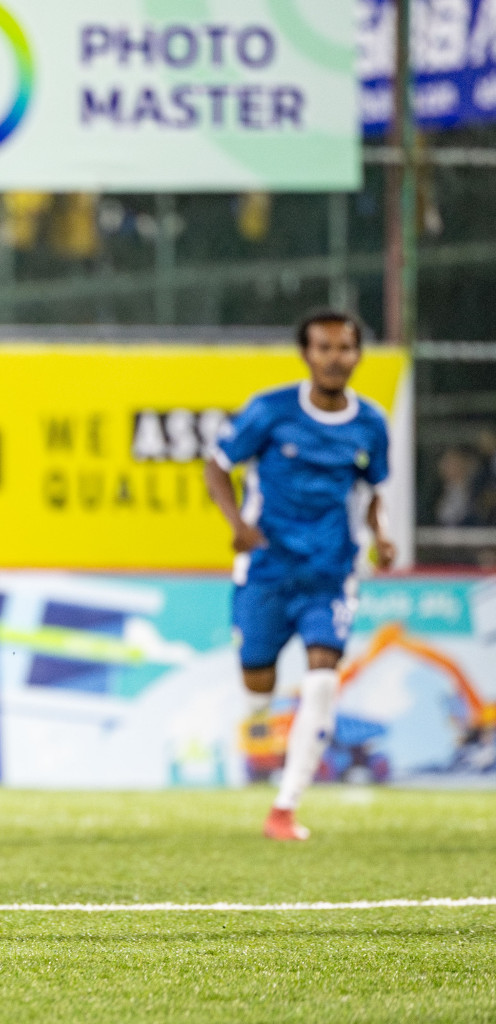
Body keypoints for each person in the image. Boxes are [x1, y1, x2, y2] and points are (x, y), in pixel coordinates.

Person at [203, 310, 393, 841]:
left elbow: (374, 489)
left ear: (358, 354)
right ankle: (262, 725)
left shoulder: (371, 423)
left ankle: (284, 809)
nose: (337, 358)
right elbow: (216, 465)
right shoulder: (270, 410)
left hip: (329, 572)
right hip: (267, 568)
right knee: (257, 685)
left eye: (346, 348)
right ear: (306, 355)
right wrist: (237, 523)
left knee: (323, 680)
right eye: (325, 348)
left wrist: (381, 536)